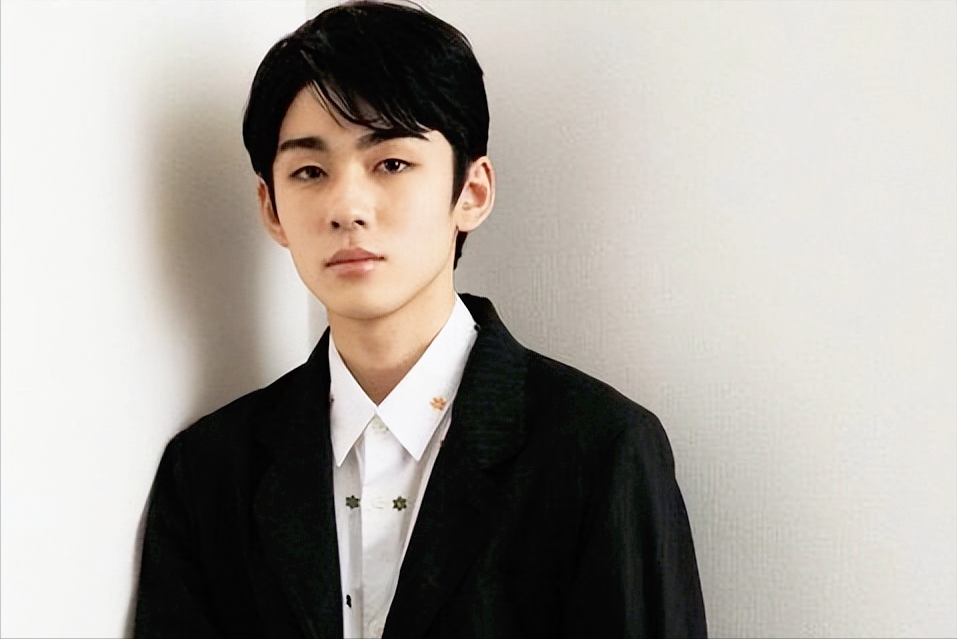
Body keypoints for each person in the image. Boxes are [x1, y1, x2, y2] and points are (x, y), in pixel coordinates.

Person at [134, 1, 707, 637]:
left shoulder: (599, 452)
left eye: (391, 163)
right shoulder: (208, 473)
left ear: (472, 192)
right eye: (310, 171)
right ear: (271, 208)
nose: (347, 206)